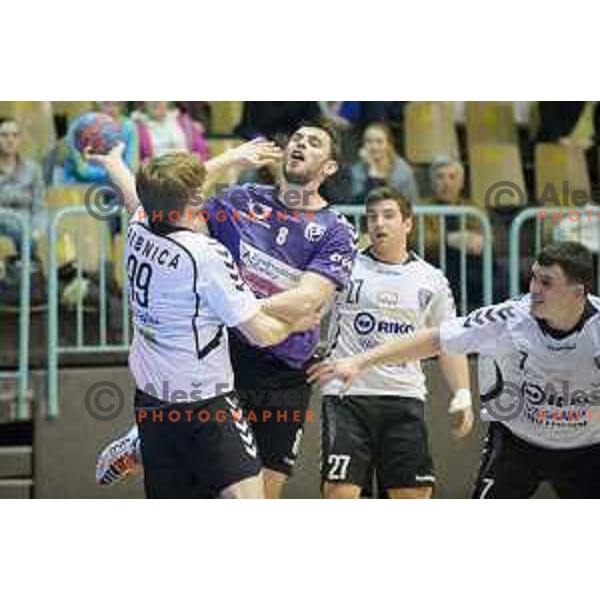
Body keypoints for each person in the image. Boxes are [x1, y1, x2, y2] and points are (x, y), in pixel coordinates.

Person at [95, 122, 357, 498]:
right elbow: (170, 203)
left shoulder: (336, 229)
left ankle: (144, 439)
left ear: (329, 167)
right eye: (296, 138)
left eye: (314, 143)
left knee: (264, 491)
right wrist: (229, 308)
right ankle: (145, 439)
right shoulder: (243, 199)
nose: (300, 144)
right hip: (228, 354)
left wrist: (232, 304)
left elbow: (308, 300)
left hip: (281, 371)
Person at [309, 241, 600, 499]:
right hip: (518, 443)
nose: (533, 288)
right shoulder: (510, 318)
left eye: (546, 283)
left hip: (588, 447)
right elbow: (435, 338)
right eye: (534, 277)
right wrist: (360, 361)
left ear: (578, 292)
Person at [319, 187, 473, 499]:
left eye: (388, 216)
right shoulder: (343, 267)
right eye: (372, 217)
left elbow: (448, 341)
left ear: (407, 224)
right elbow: (308, 311)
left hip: (403, 397)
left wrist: (463, 394)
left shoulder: (431, 279)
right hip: (347, 396)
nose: (379, 223)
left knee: (412, 496)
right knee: (340, 495)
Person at [0, 116, 46, 257]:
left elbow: (40, 206)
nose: (10, 140)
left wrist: (37, 232)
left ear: (20, 139)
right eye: (4, 135)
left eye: (15, 135)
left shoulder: (33, 169)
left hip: (27, 228)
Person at [350, 123, 418, 205]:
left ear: (389, 145)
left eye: (379, 142)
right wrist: (373, 170)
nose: (374, 147)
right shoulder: (356, 170)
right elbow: (359, 203)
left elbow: (410, 202)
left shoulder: (402, 169)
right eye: (368, 141)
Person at [132, 101, 210, 162]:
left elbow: (203, 152)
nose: (155, 101)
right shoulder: (137, 127)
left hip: (188, 173)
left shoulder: (185, 122)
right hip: (156, 177)